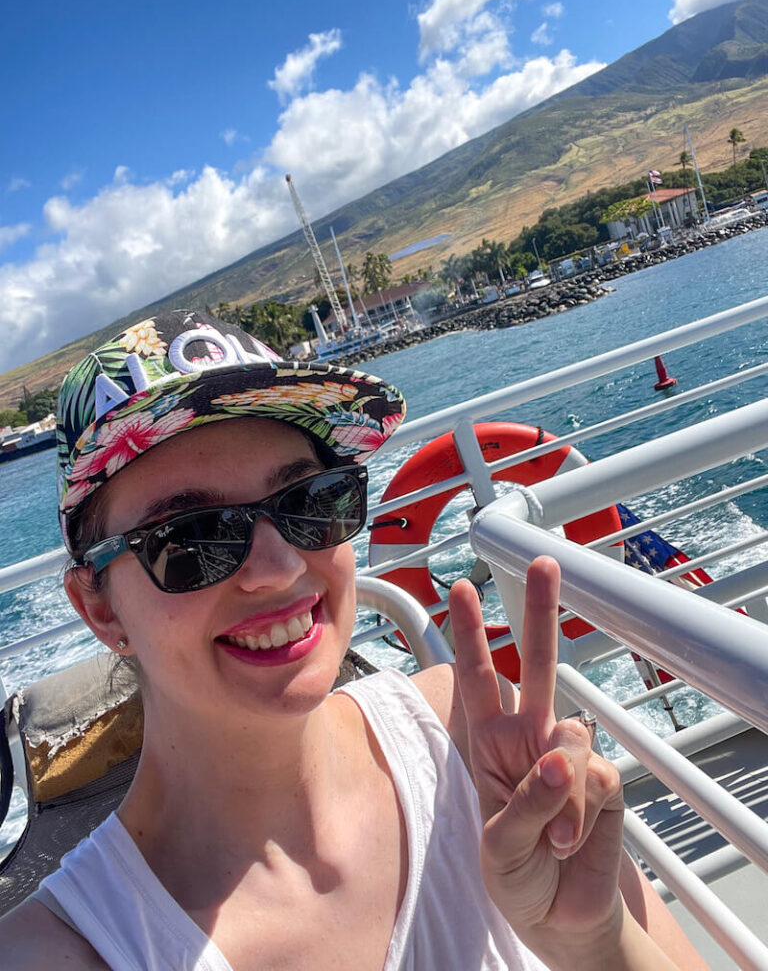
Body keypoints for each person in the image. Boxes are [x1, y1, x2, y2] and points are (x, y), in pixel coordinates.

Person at [0, 309, 707, 970]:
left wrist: (596, 942)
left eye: (311, 501)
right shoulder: (58, 952)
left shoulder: (467, 738)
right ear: (100, 611)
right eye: (190, 538)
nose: (278, 570)